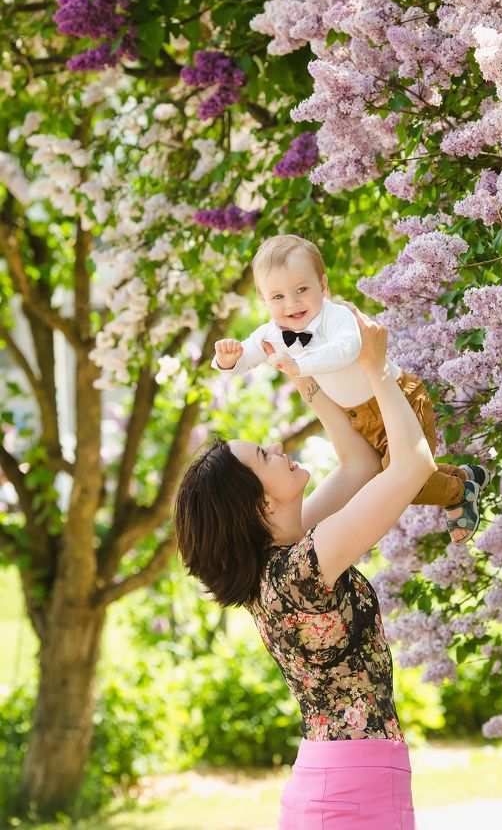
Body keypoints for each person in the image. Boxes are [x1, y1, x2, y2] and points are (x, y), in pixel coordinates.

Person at [174, 306, 443, 828]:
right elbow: (412, 466)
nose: (279, 446)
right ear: (259, 505)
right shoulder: (298, 573)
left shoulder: (282, 562)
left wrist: (306, 380)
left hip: (346, 784)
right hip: (351, 793)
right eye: (264, 456)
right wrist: (375, 367)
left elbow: (362, 464)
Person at [211, 233, 491, 544]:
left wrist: (300, 366)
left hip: (399, 398)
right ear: (263, 301)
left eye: (302, 289)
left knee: (401, 478)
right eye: (277, 297)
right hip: (361, 417)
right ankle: (467, 477)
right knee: (392, 474)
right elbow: (249, 354)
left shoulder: (337, 316)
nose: (291, 304)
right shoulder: (273, 333)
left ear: (323, 285)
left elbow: (347, 350)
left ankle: (459, 493)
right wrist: (229, 360)